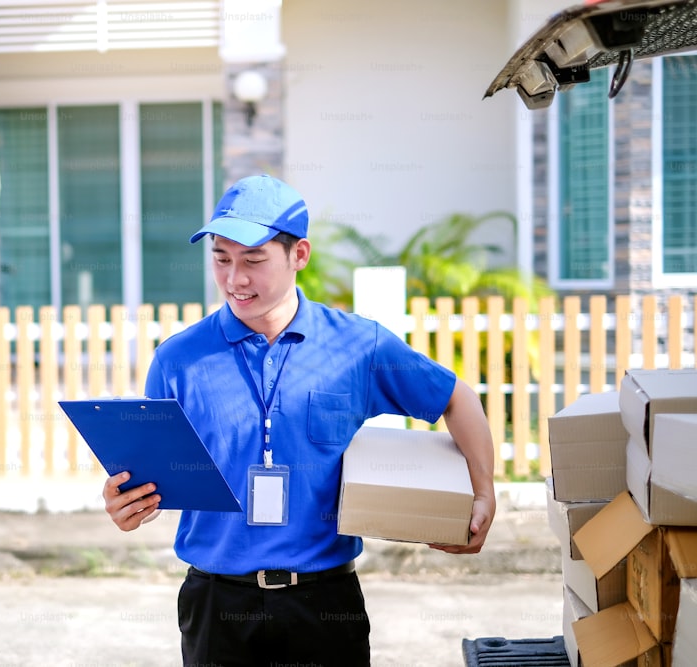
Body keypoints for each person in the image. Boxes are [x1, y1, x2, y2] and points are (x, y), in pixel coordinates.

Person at [102, 174, 496, 666]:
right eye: (221, 259)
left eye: (253, 260)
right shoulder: (177, 360)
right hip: (216, 604)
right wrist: (128, 503)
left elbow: (455, 398)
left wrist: (483, 492)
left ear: (299, 255)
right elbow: (155, 474)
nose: (235, 279)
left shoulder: (360, 346)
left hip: (325, 602)